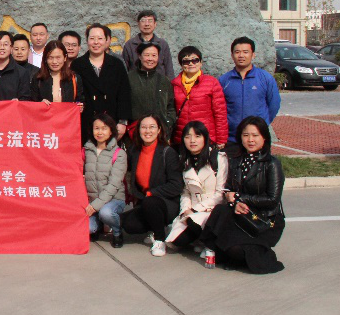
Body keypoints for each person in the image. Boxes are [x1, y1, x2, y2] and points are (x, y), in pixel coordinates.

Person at [198, 116, 285, 273]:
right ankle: (218, 248)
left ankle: (261, 252)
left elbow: (272, 199)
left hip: (263, 219)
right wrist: (234, 203)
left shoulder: (272, 164)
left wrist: (240, 198)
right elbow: (229, 190)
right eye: (246, 135)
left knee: (239, 253)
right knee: (221, 214)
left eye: (255, 135)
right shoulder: (237, 161)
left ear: (264, 137)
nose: (250, 140)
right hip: (241, 215)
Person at [121, 115, 183, 257]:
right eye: (143, 127)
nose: (147, 131)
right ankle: (156, 227)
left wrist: (151, 193)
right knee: (128, 224)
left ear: (159, 130)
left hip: (166, 202)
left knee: (151, 203)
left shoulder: (168, 152)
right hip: (145, 201)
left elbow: (176, 185)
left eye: (152, 127)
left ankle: (160, 239)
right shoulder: (134, 151)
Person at [165, 122, 228, 260]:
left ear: (205, 138)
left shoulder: (218, 158)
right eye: (188, 137)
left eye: (197, 136)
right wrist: (185, 210)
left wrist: (196, 210)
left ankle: (208, 243)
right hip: (192, 209)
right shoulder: (184, 160)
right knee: (176, 242)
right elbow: (185, 192)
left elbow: (220, 193)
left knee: (195, 223)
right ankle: (198, 239)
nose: (192, 141)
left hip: (212, 209)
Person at [219, 37, 281, 154]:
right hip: (232, 138)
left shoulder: (265, 78)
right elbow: (219, 109)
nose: (241, 55)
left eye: (245, 52)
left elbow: (274, 105)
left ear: (253, 55)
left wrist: (262, 124)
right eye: (237, 52)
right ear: (232, 55)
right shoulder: (224, 80)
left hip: (257, 139)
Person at [71, 24, 131, 142]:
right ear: (87, 40)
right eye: (92, 38)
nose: (96, 42)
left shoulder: (116, 64)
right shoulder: (77, 65)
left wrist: (123, 122)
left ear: (106, 40)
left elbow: (124, 94)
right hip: (86, 122)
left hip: (111, 121)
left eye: (100, 38)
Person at [83, 114, 128, 247]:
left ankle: (117, 232)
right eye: (96, 128)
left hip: (113, 199)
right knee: (88, 229)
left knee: (106, 213)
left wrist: (95, 206)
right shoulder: (86, 151)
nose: (100, 132)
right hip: (92, 200)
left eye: (104, 128)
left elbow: (114, 184)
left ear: (111, 131)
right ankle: (98, 226)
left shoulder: (119, 154)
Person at [172, 46, 228, 147]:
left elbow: (220, 113)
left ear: (201, 62)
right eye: (186, 61)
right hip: (183, 138)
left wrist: (221, 140)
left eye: (195, 60)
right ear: (181, 64)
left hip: (206, 137)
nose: (191, 64)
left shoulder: (212, 83)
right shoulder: (174, 85)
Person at [127, 42, 176, 137]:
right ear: (139, 56)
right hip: (135, 133)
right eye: (147, 55)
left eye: (154, 55)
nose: (150, 59)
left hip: (160, 133)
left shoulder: (164, 81)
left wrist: (167, 123)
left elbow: (171, 107)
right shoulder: (129, 79)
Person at [0, 31, 32, 100]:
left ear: (11, 47)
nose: (2, 48)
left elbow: (26, 99)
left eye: (6, 44)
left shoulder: (21, 72)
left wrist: (18, 102)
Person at [122, 10, 175, 78]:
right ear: (138, 23)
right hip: (136, 82)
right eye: (143, 21)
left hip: (159, 82)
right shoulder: (130, 44)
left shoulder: (163, 44)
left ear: (155, 24)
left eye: (150, 21)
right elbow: (124, 69)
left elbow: (169, 69)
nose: (147, 24)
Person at [30, 40, 84, 106]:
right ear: (45, 59)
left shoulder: (74, 79)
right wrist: (39, 104)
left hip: (67, 113)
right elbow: (31, 103)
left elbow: (80, 100)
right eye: (50, 58)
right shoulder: (38, 79)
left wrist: (80, 105)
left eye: (58, 57)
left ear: (65, 58)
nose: (54, 62)